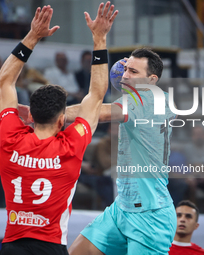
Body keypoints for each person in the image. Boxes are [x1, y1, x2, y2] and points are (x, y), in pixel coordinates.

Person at [0, 3, 117, 255]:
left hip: (11, 248)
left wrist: (33, 36)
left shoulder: (10, 137)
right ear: (62, 121)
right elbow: (96, 95)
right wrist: (99, 38)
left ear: (30, 115)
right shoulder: (70, 146)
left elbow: (5, 81)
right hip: (51, 247)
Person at [58, 47, 176, 253]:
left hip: (150, 216)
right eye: (126, 70)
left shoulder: (146, 102)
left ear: (152, 80)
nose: (125, 76)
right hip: (121, 209)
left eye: (133, 72)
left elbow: (97, 112)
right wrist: (131, 69)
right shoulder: (149, 97)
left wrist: (45, 114)